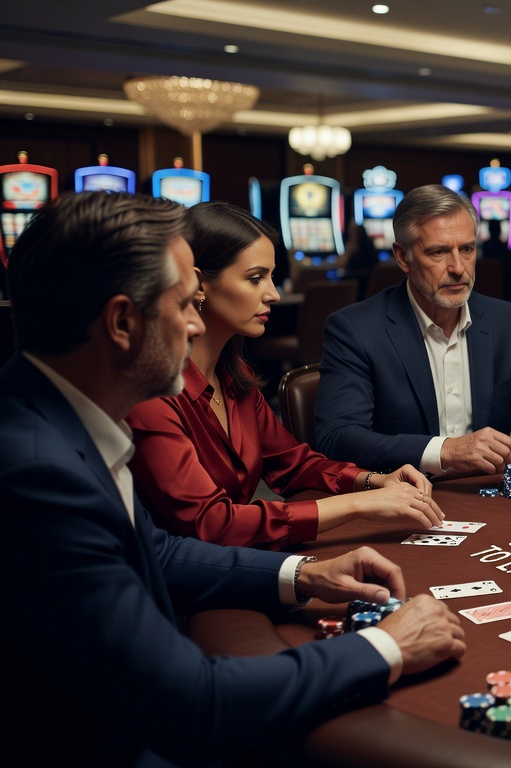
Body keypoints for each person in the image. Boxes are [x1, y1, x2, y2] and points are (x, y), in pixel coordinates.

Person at [0, 192, 464, 766]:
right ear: (121, 322)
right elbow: (191, 704)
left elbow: (161, 553)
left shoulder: (61, 414)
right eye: (183, 305)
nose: (196, 323)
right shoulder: (38, 473)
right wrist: (384, 646)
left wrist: (307, 573)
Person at [127, 202, 444, 549]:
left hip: (243, 559)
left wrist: (374, 481)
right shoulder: (151, 393)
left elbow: (293, 464)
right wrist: (360, 504)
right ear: (198, 284)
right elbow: (211, 523)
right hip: (181, 588)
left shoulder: (236, 377)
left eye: (271, 277)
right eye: (255, 278)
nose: (274, 294)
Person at [316, 184, 511, 476]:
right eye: (438, 252)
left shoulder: (506, 321)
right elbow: (338, 438)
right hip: (401, 499)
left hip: (486, 500)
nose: (458, 267)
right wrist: (446, 450)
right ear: (403, 257)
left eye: (468, 249)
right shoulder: (356, 329)